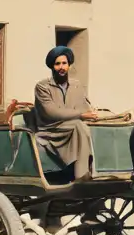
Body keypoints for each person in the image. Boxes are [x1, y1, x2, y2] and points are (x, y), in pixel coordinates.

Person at [33, 46, 99, 181]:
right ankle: (82, 177)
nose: (61, 67)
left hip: (71, 127)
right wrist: (81, 115)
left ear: (69, 65)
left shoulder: (76, 85)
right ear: (52, 67)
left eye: (64, 63)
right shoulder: (42, 86)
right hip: (51, 130)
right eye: (57, 64)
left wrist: (92, 114)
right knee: (79, 126)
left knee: (93, 125)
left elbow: (84, 107)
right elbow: (52, 113)